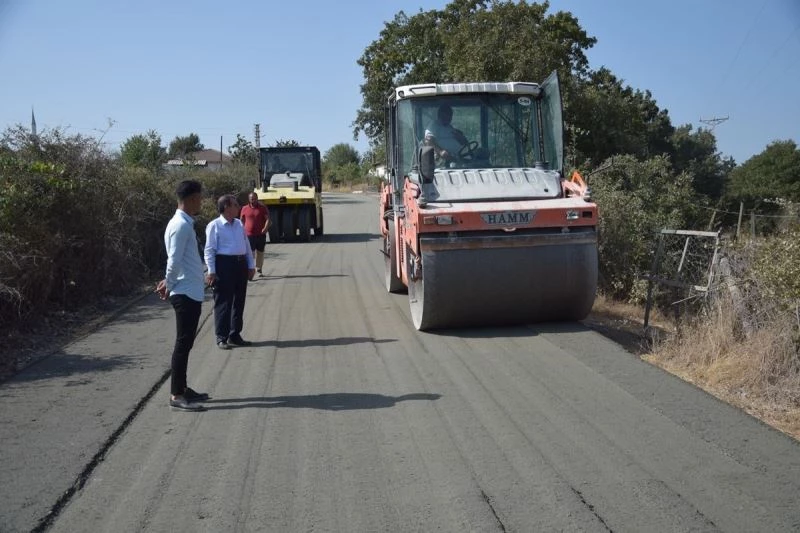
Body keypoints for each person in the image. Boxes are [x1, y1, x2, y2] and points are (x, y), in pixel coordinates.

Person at [155, 179, 209, 412]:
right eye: (199, 197)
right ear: (190, 199)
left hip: (190, 290)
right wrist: (169, 283)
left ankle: (183, 388)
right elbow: (174, 261)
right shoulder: (181, 225)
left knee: (186, 344)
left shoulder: (184, 223)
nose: (201, 202)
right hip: (184, 292)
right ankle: (177, 395)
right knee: (182, 344)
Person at [205, 195, 256, 350]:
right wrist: (211, 271)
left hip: (240, 264)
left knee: (239, 301)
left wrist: (251, 265)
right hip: (224, 264)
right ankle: (222, 337)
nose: (238, 206)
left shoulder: (239, 224)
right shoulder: (214, 225)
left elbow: (246, 245)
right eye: (234, 204)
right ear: (226, 207)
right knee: (224, 302)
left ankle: (235, 334)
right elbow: (209, 250)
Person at [240, 192, 270, 275]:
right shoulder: (244, 208)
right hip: (249, 235)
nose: (253, 200)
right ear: (249, 199)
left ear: (257, 198)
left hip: (260, 234)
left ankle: (259, 268)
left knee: (260, 252)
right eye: (251, 198)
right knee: (250, 253)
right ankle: (250, 269)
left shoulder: (262, 208)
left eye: (255, 198)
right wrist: (241, 231)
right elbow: (241, 221)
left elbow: (267, 219)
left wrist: (265, 228)